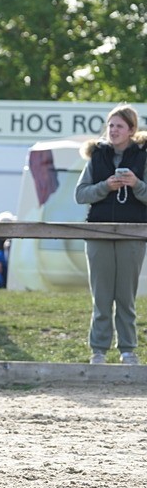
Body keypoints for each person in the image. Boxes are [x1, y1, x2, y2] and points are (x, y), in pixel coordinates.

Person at [75, 105, 147, 365]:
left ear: (131, 130)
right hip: (98, 231)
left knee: (126, 298)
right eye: (111, 125)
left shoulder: (144, 157)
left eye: (119, 126)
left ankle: (128, 350)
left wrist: (136, 184)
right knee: (102, 296)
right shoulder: (97, 156)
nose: (113, 130)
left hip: (132, 233)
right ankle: (98, 350)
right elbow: (80, 194)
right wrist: (105, 186)